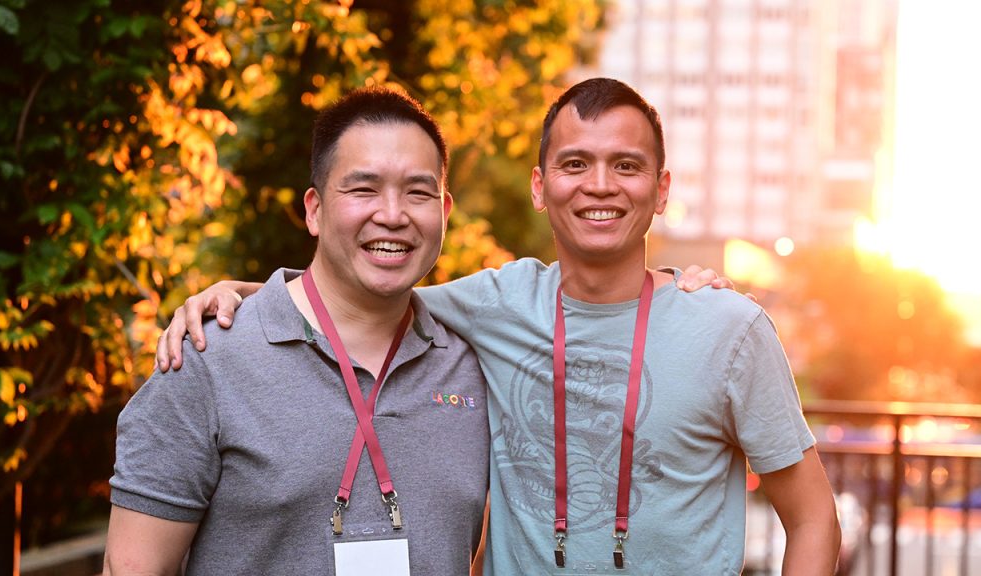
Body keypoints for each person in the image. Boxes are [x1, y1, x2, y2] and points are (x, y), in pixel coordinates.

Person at [157, 78, 840, 574]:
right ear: (541, 186)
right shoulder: (496, 302)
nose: (600, 185)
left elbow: (812, 518)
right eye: (575, 164)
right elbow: (357, 289)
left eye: (626, 166)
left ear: (661, 189)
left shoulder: (731, 328)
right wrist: (245, 295)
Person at [104, 87, 493, 575]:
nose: (392, 215)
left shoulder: (475, 366)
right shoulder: (206, 360)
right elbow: (132, 568)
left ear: (444, 212)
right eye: (363, 189)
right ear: (314, 209)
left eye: (418, 192)